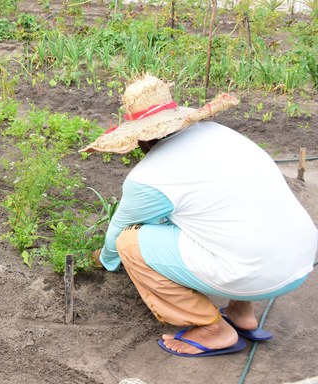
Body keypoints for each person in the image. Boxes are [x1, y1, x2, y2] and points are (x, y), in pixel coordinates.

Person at [84, 74, 317, 358]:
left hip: (257, 271)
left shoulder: (148, 177)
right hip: (300, 258)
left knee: (129, 243)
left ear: (140, 138)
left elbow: (119, 230)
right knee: (219, 217)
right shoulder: (220, 134)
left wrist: (106, 260)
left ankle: (212, 329)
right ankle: (241, 311)